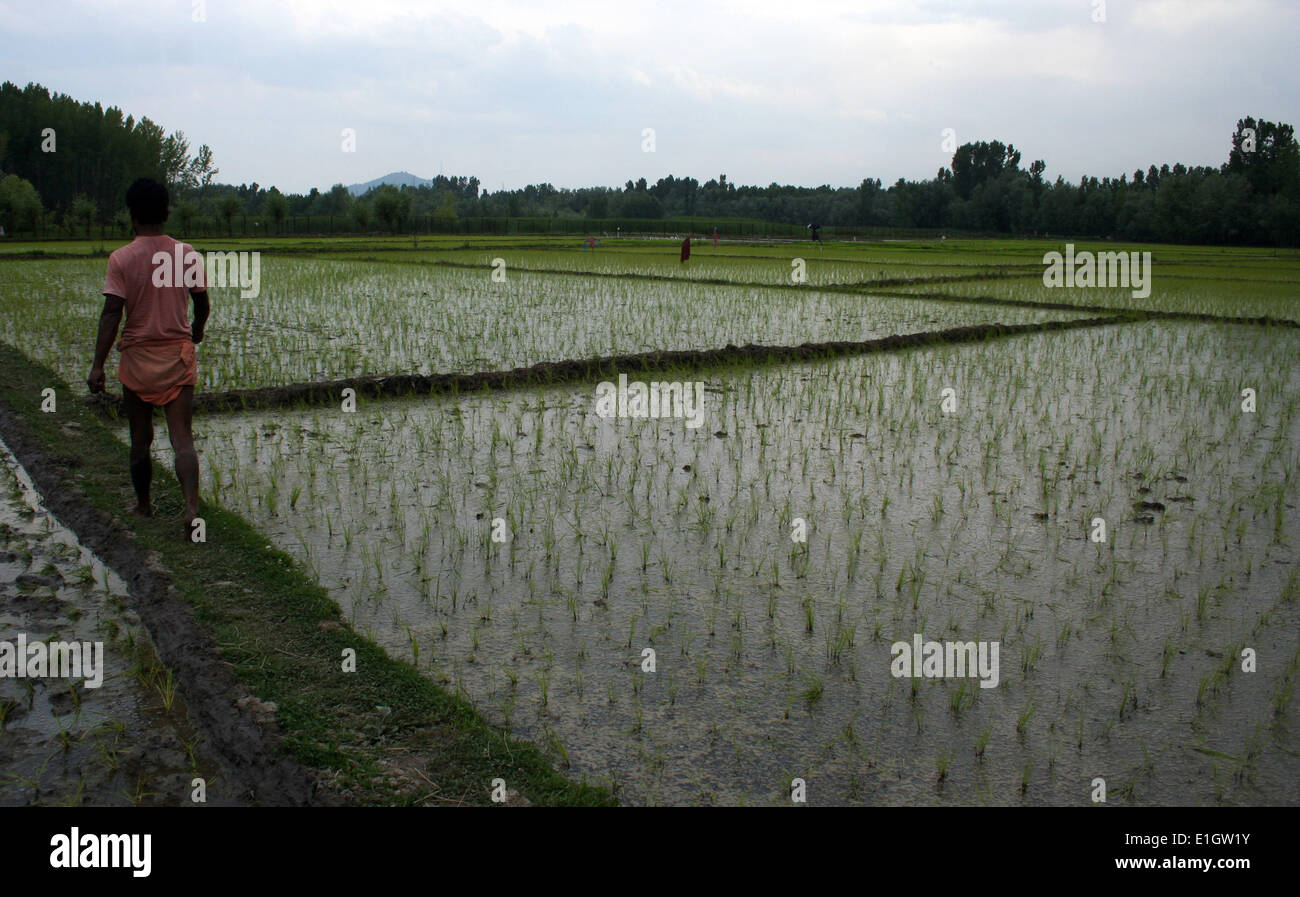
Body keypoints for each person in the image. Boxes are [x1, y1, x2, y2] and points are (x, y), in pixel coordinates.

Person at [87, 178, 210, 533]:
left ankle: (143, 506)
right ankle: (190, 509)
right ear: (167, 213)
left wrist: (98, 365)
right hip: (177, 356)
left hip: (137, 359)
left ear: (132, 216)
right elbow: (201, 300)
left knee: (140, 439)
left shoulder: (122, 258)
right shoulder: (186, 254)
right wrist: (197, 329)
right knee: (181, 438)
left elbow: (112, 313)